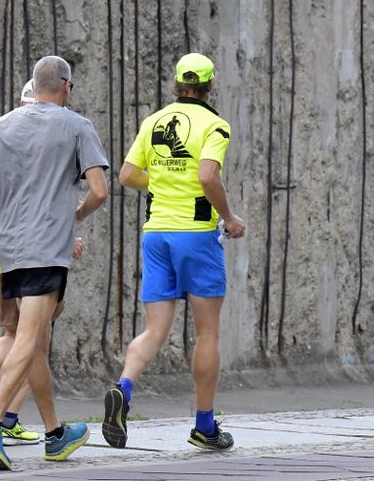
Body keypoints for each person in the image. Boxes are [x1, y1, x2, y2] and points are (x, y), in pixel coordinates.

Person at [0, 57, 109, 470]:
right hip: (48, 248)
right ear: (65, 85)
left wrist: (3, 207)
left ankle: (55, 434)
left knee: (37, 341)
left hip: (11, 250)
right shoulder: (77, 126)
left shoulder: (1, 125)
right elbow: (99, 191)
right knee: (29, 337)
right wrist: (74, 215)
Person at [101, 52, 246, 451]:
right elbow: (207, 175)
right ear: (210, 85)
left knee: (155, 330)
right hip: (196, 236)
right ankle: (204, 426)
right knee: (207, 333)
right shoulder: (215, 125)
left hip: (156, 234)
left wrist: (162, 184)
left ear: (178, 83)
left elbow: (127, 175)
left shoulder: (153, 121)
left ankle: (124, 388)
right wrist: (229, 217)